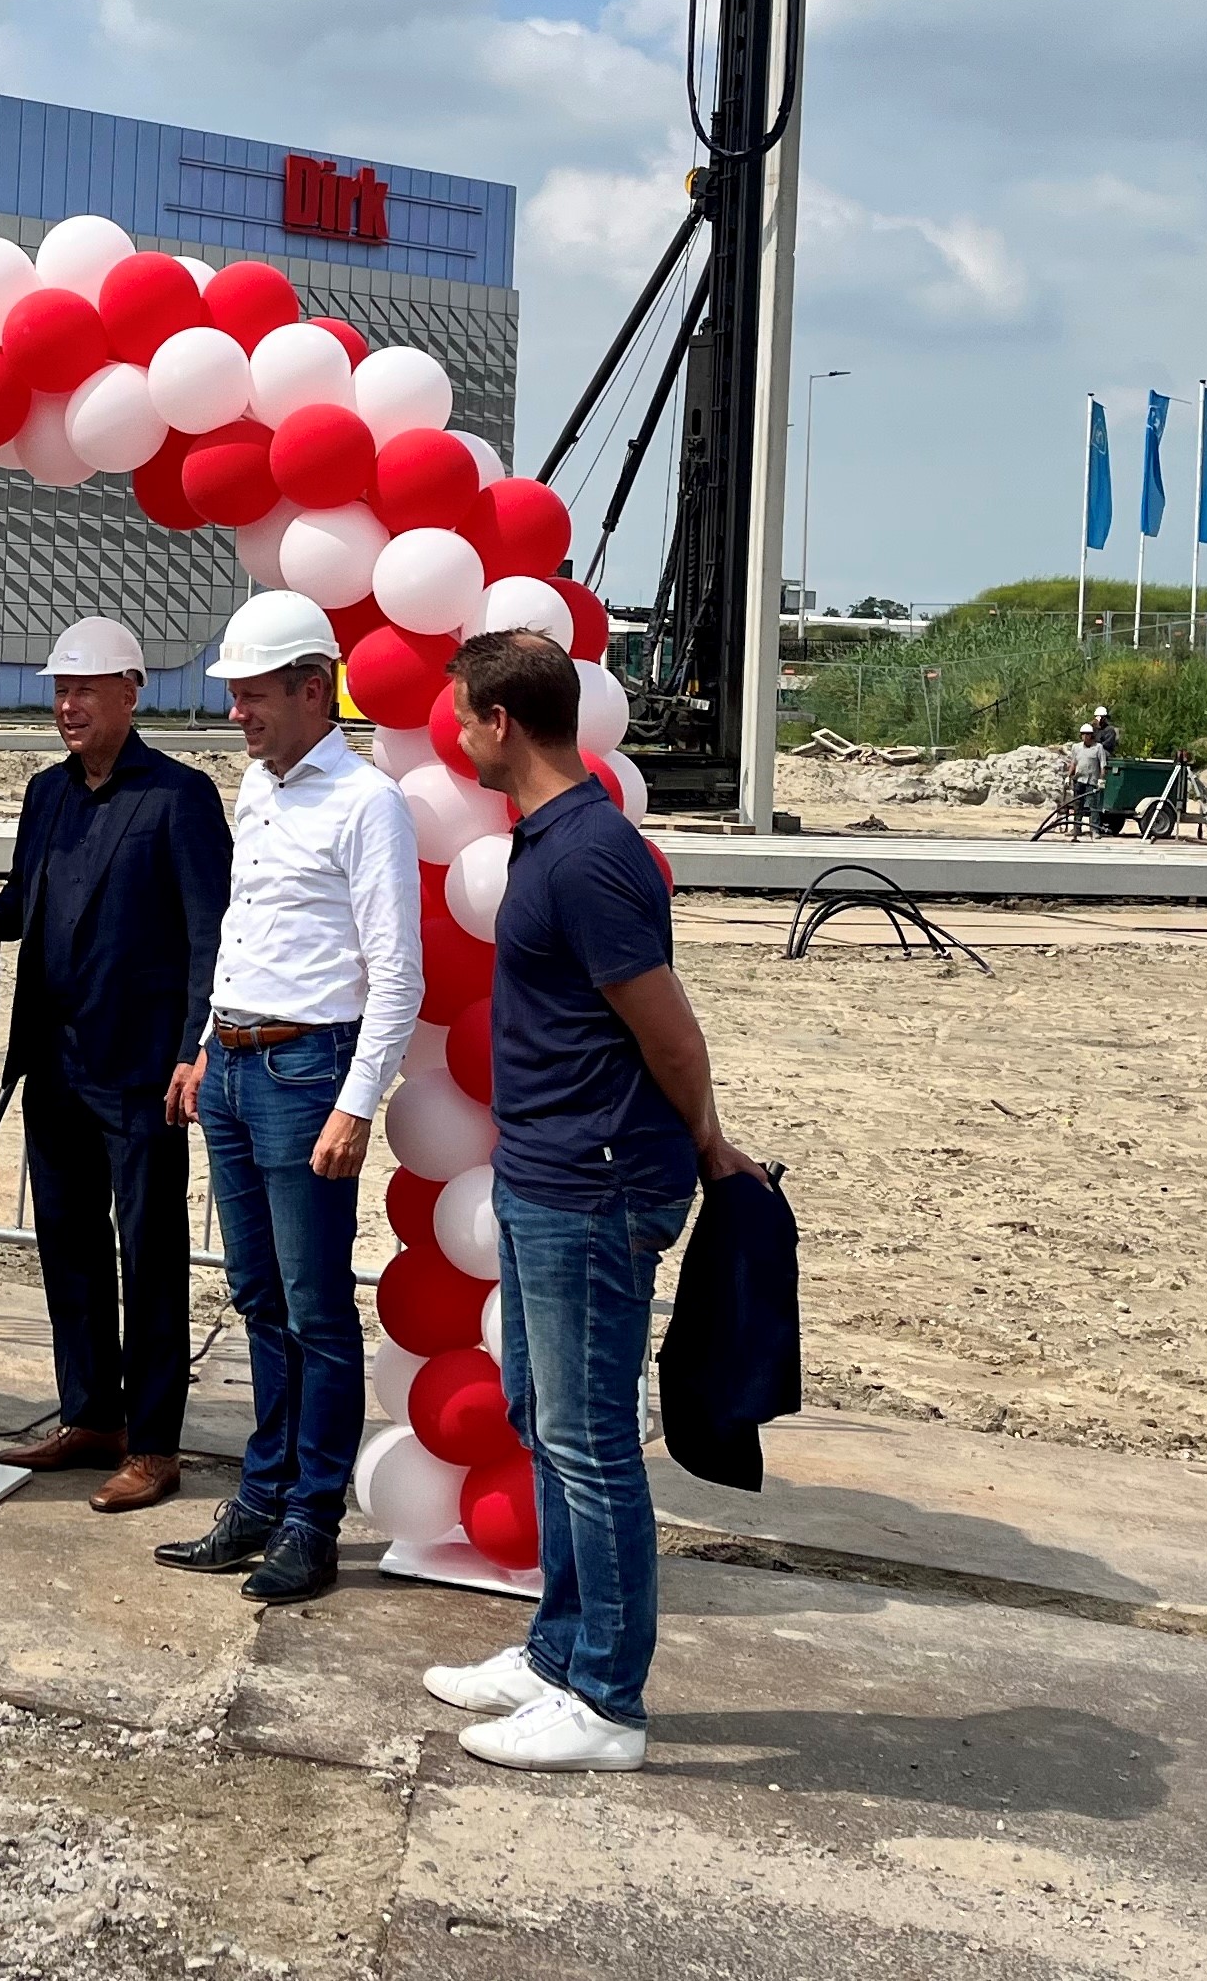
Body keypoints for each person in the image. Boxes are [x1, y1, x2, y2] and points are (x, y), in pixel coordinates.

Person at [422, 627, 758, 1771]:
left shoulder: (585, 854)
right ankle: (558, 1649)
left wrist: (708, 1144)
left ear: (499, 723)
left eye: (460, 713)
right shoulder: (551, 838)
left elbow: (667, 1027)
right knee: (542, 1421)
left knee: (589, 1441)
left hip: (594, 1188)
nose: (453, 732)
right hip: (544, 1178)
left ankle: (605, 1699)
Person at [0, 617, 231, 1514]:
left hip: (139, 1070)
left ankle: (157, 1440)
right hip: (51, 1061)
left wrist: (193, 1048)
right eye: (60, 689)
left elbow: (211, 934)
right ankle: (92, 1413)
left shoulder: (178, 797)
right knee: (70, 1247)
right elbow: (29, 898)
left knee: (150, 1251)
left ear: (132, 692)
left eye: (85, 690)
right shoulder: (47, 794)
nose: (68, 705)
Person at [154, 588, 421, 1605]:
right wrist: (199, 1046)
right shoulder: (256, 789)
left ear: (314, 690)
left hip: (307, 1072)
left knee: (314, 1308)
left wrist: (355, 1103)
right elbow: (245, 928)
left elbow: (395, 973)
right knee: (259, 1295)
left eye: (251, 694)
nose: (236, 713)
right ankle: (260, 1498)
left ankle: (310, 1513)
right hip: (230, 1064)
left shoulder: (366, 805)